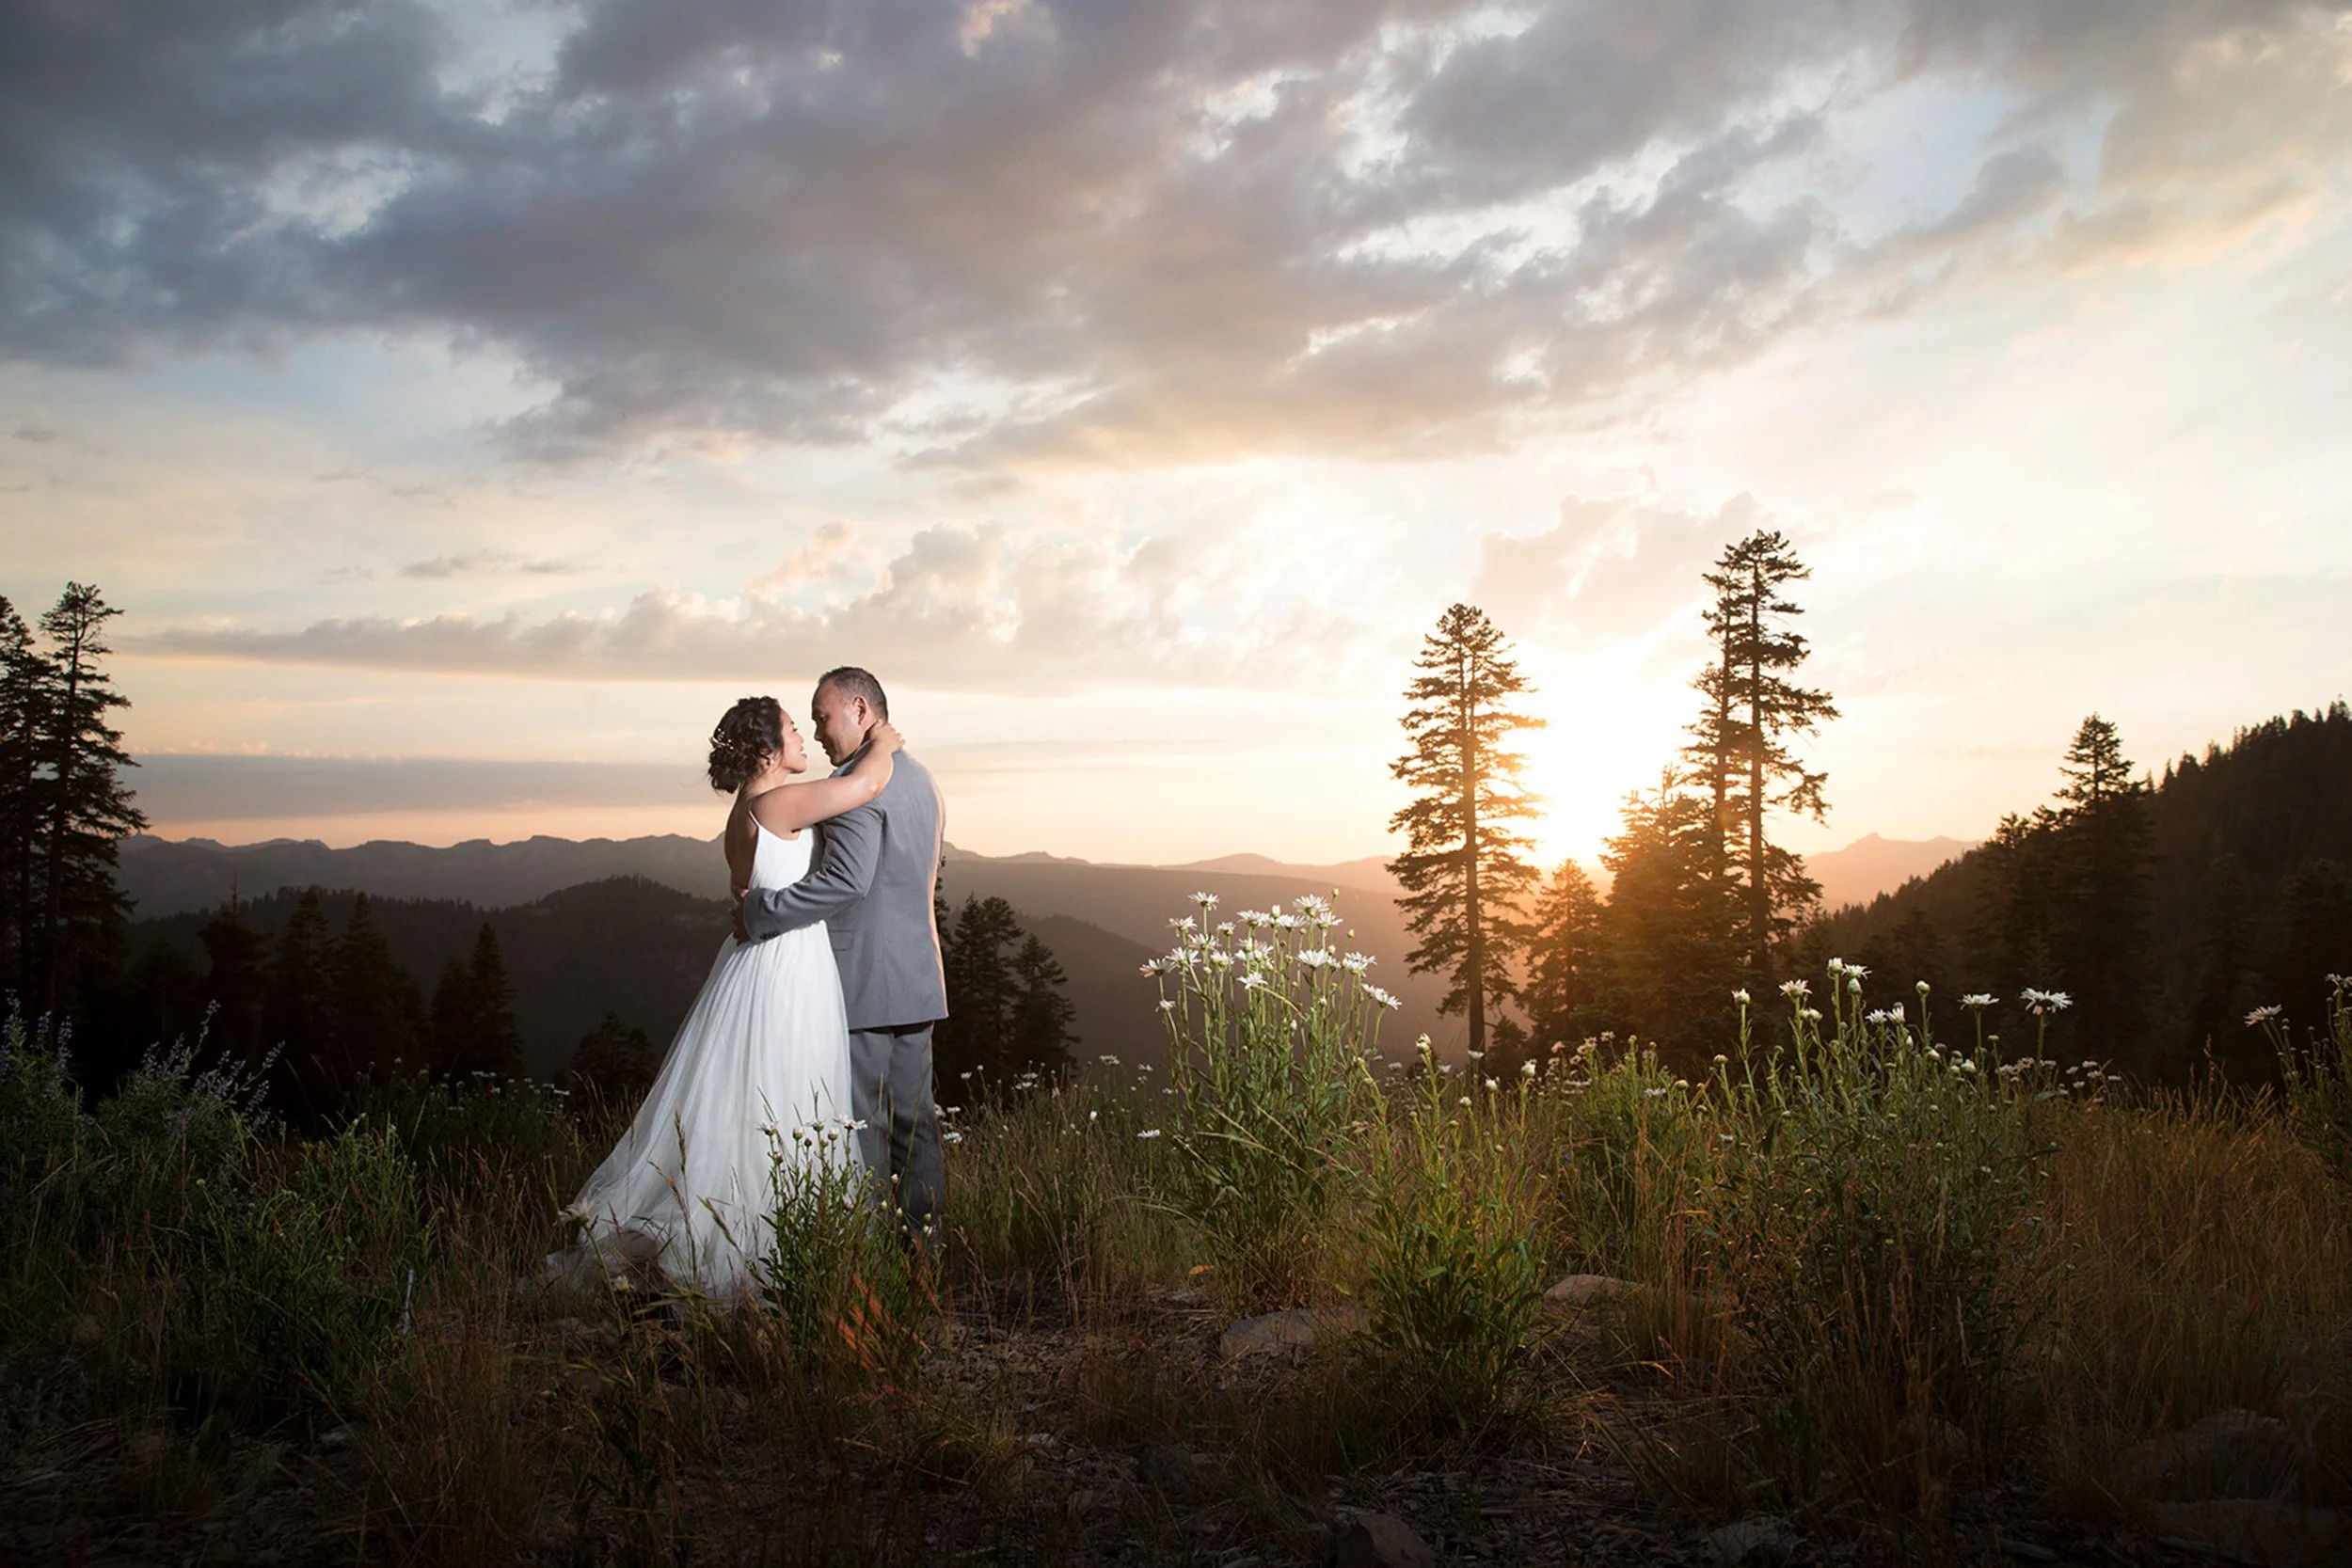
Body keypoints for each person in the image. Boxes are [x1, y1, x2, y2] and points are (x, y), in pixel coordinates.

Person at [552, 694, 903, 1300]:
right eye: (794, 730)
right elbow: (867, 786)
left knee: (748, 1095)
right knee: (789, 1090)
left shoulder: (744, 811)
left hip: (751, 960)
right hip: (787, 963)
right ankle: (766, 1248)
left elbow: (748, 887)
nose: (802, 738)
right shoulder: (779, 801)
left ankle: (753, 1229)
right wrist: (884, 743)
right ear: (767, 750)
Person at [734, 667, 948, 1243]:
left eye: (823, 717)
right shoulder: (921, 778)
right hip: (918, 978)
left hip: (862, 981)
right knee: (916, 1127)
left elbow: (845, 882)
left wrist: (761, 910)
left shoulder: (861, 784)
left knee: (864, 1132)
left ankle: (873, 1270)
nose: (818, 730)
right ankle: (925, 1261)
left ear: (859, 709)